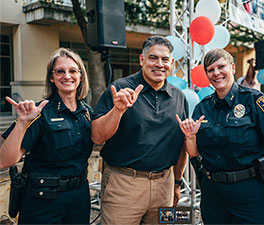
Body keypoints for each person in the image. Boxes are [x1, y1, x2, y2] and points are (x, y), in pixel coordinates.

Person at [176, 48, 264, 224]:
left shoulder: (254, 100)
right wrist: (190, 137)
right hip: (214, 193)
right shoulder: (202, 108)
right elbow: (195, 154)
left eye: (221, 67)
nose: (216, 73)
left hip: (250, 191)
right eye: (210, 70)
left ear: (233, 68)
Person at [91, 35, 188, 225]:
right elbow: (96, 136)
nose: (159, 64)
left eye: (165, 59)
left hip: (164, 186)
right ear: (142, 59)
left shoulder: (179, 97)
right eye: (153, 58)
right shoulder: (119, 89)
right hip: (124, 184)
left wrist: (177, 183)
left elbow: (181, 145)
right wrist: (117, 111)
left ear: (172, 63)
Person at [0, 48, 93, 224]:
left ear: (80, 76)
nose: (67, 76)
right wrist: (22, 123)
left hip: (79, 198)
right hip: (43, 200)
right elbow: (4, 161)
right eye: (60, 71)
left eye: (73, 71)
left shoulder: (87, 112)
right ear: (52, 78)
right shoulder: (39, 112)